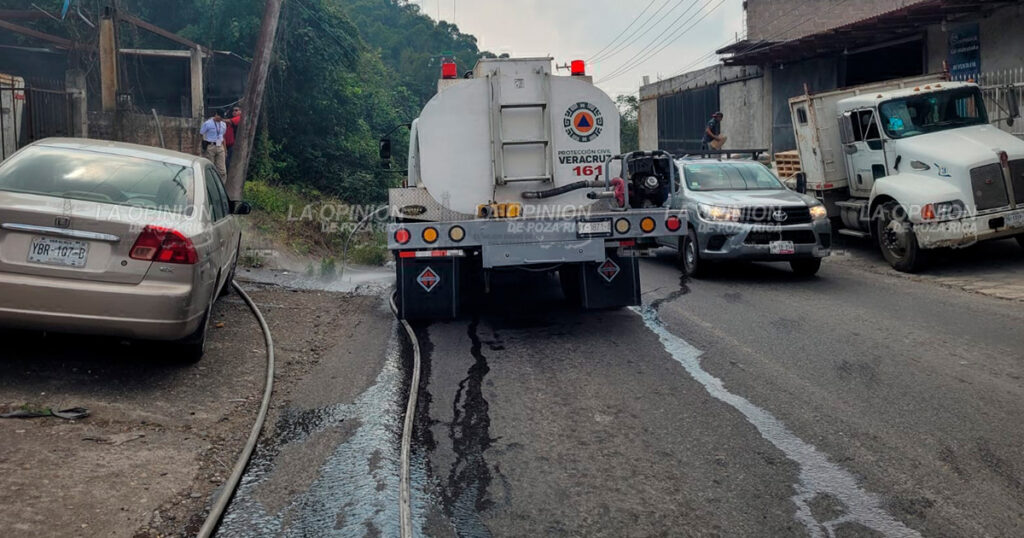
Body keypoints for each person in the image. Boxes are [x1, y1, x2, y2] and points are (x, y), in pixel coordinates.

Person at [200, 110, 227, 178]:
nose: (221, 119)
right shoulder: (207, 123)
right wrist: (202, 147)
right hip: (210, 146)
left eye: (222, 118)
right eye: (220, 117)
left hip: (220, 146)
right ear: (216, 115)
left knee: (222, 170)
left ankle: (221, 186)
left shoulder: (223, 124)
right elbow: (201, 134)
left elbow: (222, 136)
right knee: (210, 168)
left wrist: (225, 149)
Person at [224, 106, 242, 171]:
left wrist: (219, 119)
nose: (234, 112)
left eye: (236, 110)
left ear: (241, 111)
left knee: (229, 162)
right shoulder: (233, 118)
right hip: (227, 145)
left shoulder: (238, 118)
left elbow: (229, 121)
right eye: (233, 110)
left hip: (233, 145)